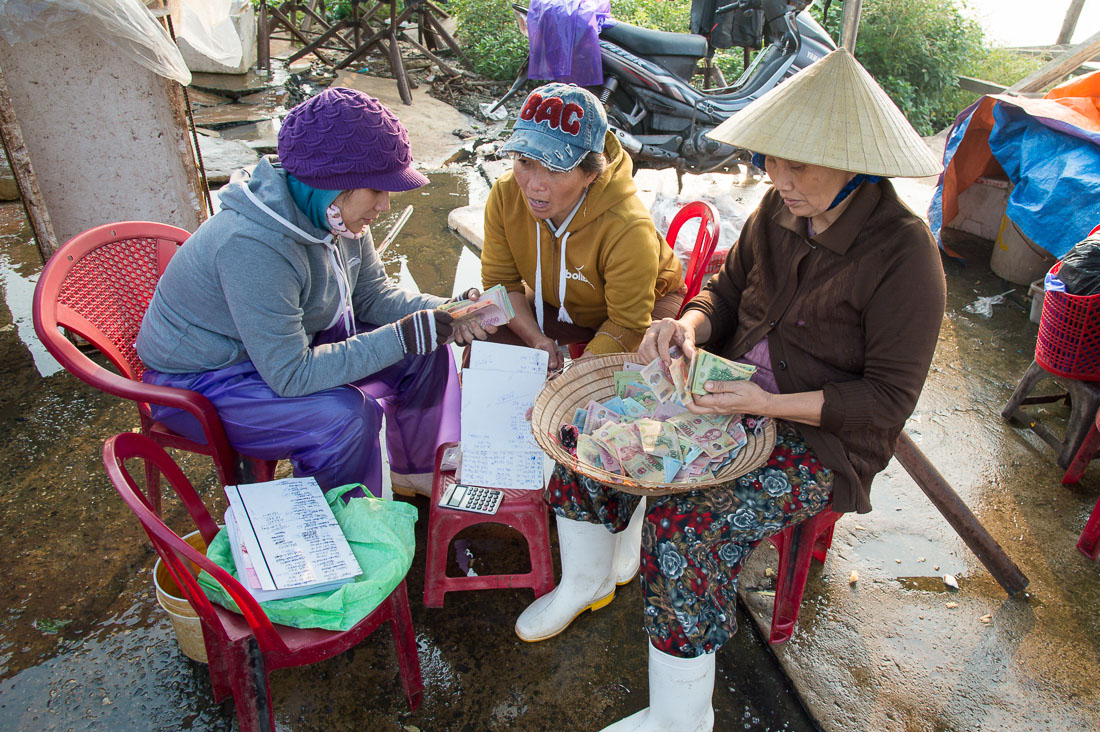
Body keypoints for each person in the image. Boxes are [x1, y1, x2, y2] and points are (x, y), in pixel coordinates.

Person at [529, 48, 948, 732]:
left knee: (685, 527)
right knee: (589, 429)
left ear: (854, 164)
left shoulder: (905, 257)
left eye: (798, 165)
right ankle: (587, 581)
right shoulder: (776, 211)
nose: (777, 178)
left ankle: (681, 718)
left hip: (817, 438)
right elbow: (724, 291)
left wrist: (764, 405)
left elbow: (885, 403)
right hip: (722, 393)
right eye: (769, 161)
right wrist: (687, 326)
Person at [136, 87, 491, 500]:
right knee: (344, 417)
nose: (385, 205)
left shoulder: (336, 217)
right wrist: (401, 336)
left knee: (425, 348)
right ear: (329, 184)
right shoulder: (251, 245)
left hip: (276, 351)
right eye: (376, 189)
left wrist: (445, 312)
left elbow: (372, 295)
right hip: (204, 381)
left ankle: (412, 472)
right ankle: (337, 523)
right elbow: (291, 375)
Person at [480, 82, 686, 625]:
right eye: (524, 161)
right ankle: (502, 460)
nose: (533, 183)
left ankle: (627, 516)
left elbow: (625, 322)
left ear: (591, 172)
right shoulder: (507, 195)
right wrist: (540, 344)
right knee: (483, 335)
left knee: (604, 405)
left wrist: (569, 380)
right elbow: (500, 287)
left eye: (553, 169)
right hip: (558, 304)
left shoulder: (628, 229)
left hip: (636, 311)